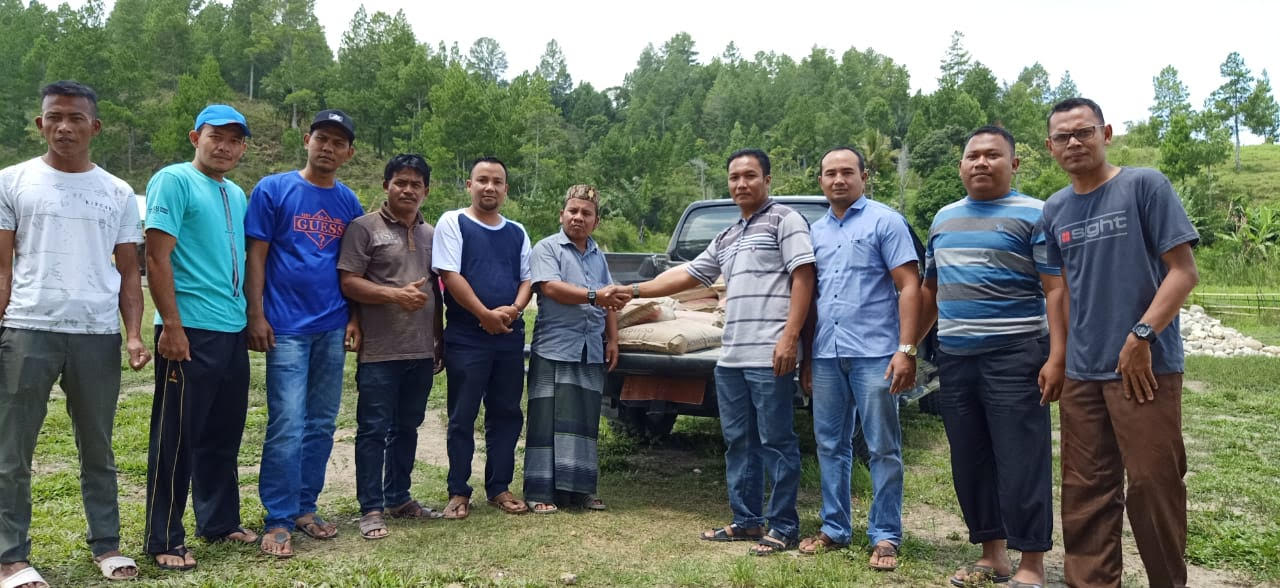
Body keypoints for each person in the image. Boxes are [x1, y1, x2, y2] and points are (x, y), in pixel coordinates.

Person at [1041, 97, 1199, 588]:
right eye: (1063, 136)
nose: (1074, 142)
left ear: (1105, 134)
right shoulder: (1055, 209)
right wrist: (1058, 357)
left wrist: (1141, 334)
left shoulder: (1144, 186)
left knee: (1154, 485)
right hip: (1084, 373)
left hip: (1143, 367)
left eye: (1083, 132)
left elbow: (1183, 272)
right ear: (1050, 147)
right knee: (1085, 492)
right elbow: (1061, 290)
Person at [0, 81, 150, 588]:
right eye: (54, 117)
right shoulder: (12, 181)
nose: (64, 127)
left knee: (98, 446)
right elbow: (2, 268)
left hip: (95, 332)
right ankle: (11, 557)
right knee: (12, 451)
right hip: (27, 328)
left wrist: (133, 333)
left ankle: (106, 545)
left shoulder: (116, 192)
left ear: (95, 127)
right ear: (40, 123)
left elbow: (130, 271)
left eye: (76, 118)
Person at [630, 149, 815, 555]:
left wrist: (790, 338)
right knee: (738, 441)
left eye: (750, 176)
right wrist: (633, 290)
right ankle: (747, 521)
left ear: (768, 180)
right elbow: (687, 274)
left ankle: (783, 525)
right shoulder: (728, 236)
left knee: (777, 441)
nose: (741, 184)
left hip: (770, 356)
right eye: (734, 177)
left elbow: (804, 277)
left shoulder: (786, 220)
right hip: (730, 357)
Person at [917, 126, 1064, 588]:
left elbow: (1056, 289)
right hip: (956, 358)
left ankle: (1031, 564)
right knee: (971, 458)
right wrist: (907, 349)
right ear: (960, 165)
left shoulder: (1037, 214)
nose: (981, 163)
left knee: (1022, 458)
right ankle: (992, 556)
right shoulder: (943, 218)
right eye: (972, 156)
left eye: (993, 155)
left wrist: (1057, 355)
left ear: (1014, 164)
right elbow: (929, 290)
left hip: (1016, 355)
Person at [143, 104, 259, 572]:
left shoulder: (236, 193)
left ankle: (219, 520)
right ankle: (164, 536)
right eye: (217, 136)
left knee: (222, 433)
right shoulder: (173, 180)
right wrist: (171, 326)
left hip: (229, 329)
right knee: (177, 436)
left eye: (235, 140)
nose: (225, 146)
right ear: (196, 136)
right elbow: (156, 257)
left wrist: (251, 317)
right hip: (188, 328)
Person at [245, 110, 364, 557]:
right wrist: (255, 314)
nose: (328, 148)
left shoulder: (348, 202)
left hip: (331, 326)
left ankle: (304, 508)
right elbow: (256, 256)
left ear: (349, 153)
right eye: (322, 138)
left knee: (320, 422)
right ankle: (276, 519)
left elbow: (352, 266)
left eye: (338, 142)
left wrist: (354, 318)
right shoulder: (273, 189)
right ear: (306, 140)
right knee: (287, 421)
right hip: (286, 327)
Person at [798, 146, 919, 571]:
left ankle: (885, 535)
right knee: (830, 445)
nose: (838, 180)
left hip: (875, 354)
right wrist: (808, 359)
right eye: (830, 173)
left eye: (847, 172)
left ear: (864, 176)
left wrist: (906, 349)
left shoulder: (886, 221)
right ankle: (834, 528)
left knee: (882, 447)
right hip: (827, 354)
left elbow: (909, 286)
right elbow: (810, 299)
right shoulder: (815, 232)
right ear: (820, 181)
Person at [338, 153, 444, 540]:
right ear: (386, 185)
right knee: (372, 430)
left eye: (416, 184)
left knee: (408, 427)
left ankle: (399, 496)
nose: (408, 189)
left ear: (426, 191)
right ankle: (370, 508)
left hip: (420, 349)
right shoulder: (363, 228)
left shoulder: (434, 235)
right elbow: (349, 281)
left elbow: (437, 292)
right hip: (380, 350)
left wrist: (439, 337)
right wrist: (393, 296)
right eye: (400, 181)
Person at [433, 156, 533, 519]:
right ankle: (458, 490)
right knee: (462, 414)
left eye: (497, 182)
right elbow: (450, 275)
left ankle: (500, 487)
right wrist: (484, 315)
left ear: (506, 189)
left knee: (506, 413)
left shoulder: (518, 231)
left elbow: (527, 279)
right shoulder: (453, 222)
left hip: (508, 335)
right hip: (467, 336)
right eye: (482, 180)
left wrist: (514, 310)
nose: (489, 187)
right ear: (469, 185)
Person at [523, 184, 629, 514]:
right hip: (554, 347)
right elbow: (552, 288)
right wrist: (595, 296)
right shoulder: (547, 248)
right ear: (562, 214)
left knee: (583, 421)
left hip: (590, 350)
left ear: (595, 221)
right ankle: (540, 492)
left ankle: (581, 490)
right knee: (546, 420)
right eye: (573, 211)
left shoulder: (599, 256)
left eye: (586, 213)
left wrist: (612, 340)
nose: (578, 218)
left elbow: (612, 301)